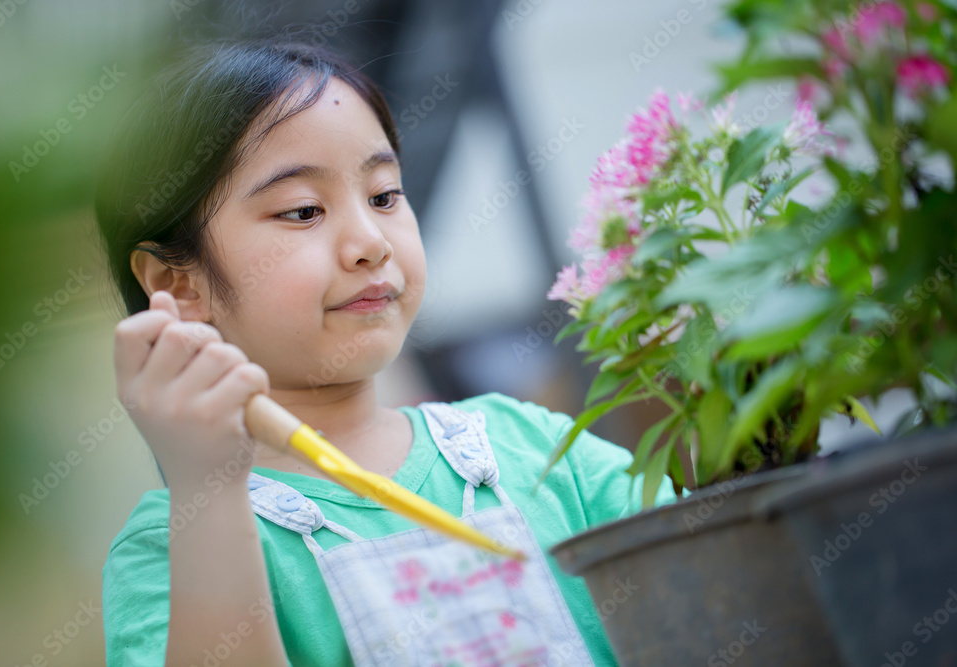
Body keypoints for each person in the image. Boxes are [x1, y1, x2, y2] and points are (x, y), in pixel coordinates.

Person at [97, 37, 676, 667]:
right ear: (177, 285)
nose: (370, 242)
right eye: (303, 210)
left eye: (384, 196)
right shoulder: (168, 548)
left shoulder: (544, 451)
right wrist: (208, 492)